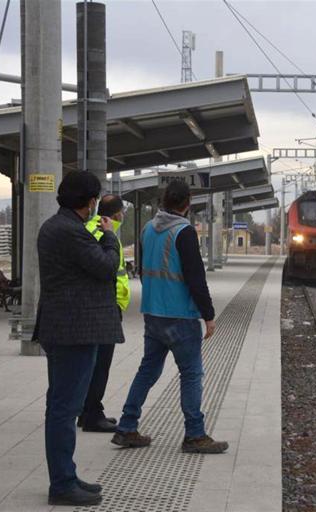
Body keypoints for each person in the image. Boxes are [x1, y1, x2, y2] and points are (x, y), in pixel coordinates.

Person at [111, 179, 227, 454]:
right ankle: (194, 435)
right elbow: (196, 278)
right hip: (180, 316)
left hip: (152, 312)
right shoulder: (184, 232)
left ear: (164, 202)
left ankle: (127, 427)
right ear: (187, 204)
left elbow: (141, 266)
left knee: (147, 371)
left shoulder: (148, 229)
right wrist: (208, 315)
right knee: (191, 374)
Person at [35, 171, 124, 506]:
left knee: (62, 406)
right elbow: (106, 267)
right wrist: (110, 237)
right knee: (63, 409)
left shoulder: (56, 227)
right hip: (72, 331)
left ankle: (67, 475)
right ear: (90, 202)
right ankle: (61, 484)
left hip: (65, 329)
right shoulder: (70, 231)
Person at [78, 194, 130, 433]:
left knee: (95, 362)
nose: (125, 215)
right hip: (104, 307)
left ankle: (88, 410)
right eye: (123, 211)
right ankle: (91, 414)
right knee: (100, 364)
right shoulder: (101, 232)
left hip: (105, 306)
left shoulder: (97, 229)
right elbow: (102, 268)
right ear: (117, 213)